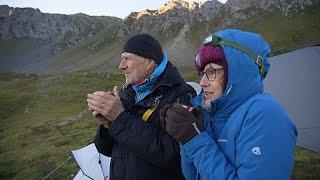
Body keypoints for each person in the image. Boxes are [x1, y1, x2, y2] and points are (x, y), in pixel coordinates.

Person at [160, 29, 297, 179]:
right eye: (203, 73)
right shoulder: (212, 116)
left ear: (238, 72)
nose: (202, 82)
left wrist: (194, 139)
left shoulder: (265, 115)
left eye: (212, 72)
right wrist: (185, 134)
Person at [87, 34, 195, 180]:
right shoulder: (128, 94)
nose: (121, 66)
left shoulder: (181, 94)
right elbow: (105, 149)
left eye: (128, 59)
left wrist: (119, 118)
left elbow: (170, 153)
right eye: (121, 59)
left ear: (150, 61)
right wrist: (108, 124)